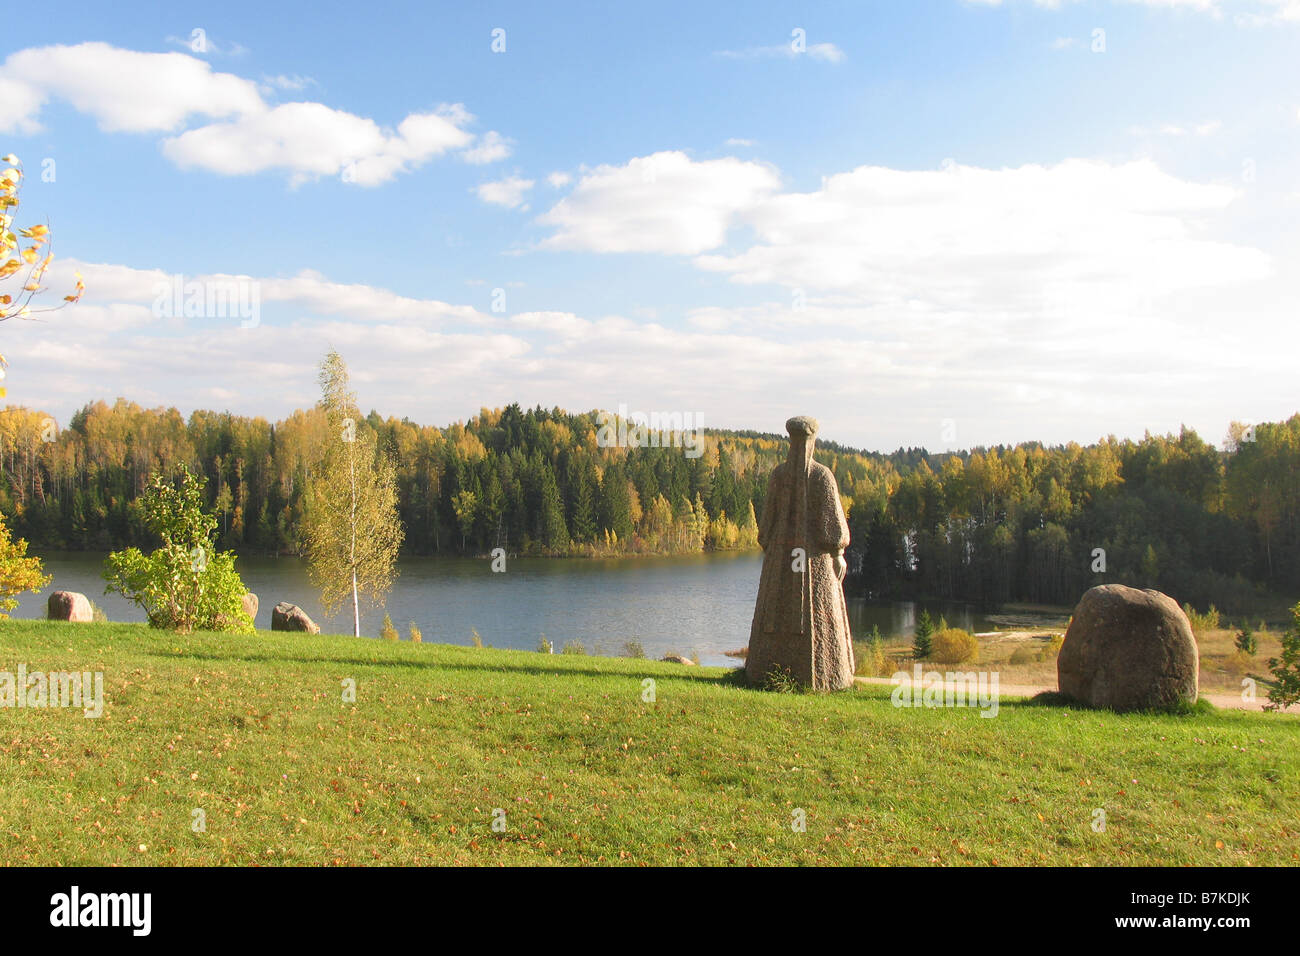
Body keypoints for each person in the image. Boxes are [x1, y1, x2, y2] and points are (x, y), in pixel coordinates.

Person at [746, 415, 855, 691]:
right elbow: (834, 528)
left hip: (779, 565)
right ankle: (825, 678)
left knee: (775, 612)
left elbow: (765, 530)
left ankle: (765, 670)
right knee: (821, 621)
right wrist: (838, 553)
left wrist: (776, 553)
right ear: (813, 441)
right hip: (814, 566)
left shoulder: (780, 476)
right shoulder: (821, 475)